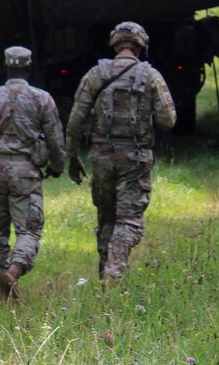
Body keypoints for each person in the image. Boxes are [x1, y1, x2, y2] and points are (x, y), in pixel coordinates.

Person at [65, 21, 176, 284]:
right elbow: (168, 120)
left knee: (106, 217)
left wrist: (71, 156)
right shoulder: (150, 76)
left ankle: (105, 270)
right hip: (135, 158)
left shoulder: (95, 74)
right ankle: (113, 272)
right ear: (140, 46)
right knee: (129, 219)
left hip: (101, 157)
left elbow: (75, 120)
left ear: (115, 45)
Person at [0, 45, 65, 302]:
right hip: (26, 172)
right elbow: (55, 137)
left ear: (6, 66)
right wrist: (57, 165)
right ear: (28, 67)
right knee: (29, 230)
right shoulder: (41, 98)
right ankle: (14, 270)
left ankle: (2, 293)